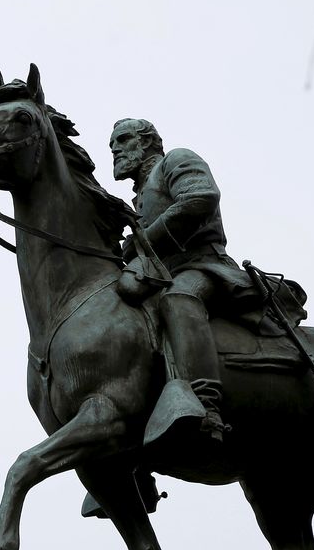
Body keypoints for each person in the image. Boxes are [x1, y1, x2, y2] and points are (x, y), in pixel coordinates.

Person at [109, 118, 299, 441]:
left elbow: (201, 197)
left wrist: (144, 241)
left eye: (123, 139)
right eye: (112, 143)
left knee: (180, 298)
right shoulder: (138, 199)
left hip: (204, 267)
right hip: (163, 275)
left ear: (148, 142)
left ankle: (205, 404)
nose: (115, 148)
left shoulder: (175, 160)